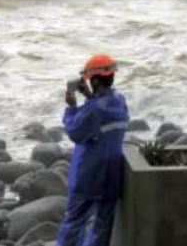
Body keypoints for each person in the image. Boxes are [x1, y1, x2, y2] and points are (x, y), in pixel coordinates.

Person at [57, 54, 130, 246]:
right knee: (103, 226)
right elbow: (101, 113)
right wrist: (89, 96)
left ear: (95, 80)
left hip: (88, 174)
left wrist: (71, 107)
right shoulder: (120, 101)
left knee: (74, 221)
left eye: (90, 79)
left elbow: (76, 132)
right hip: (111, 175)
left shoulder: (93, 110)